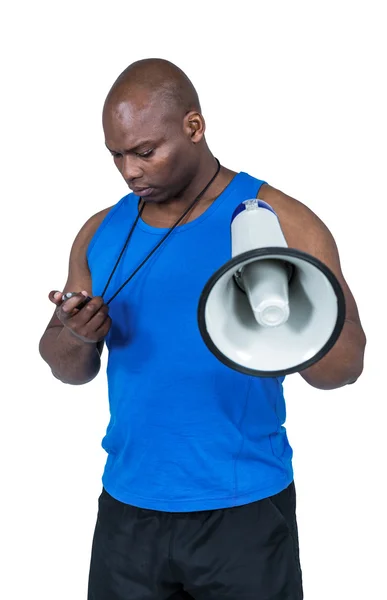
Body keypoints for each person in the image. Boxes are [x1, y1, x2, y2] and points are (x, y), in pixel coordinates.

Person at [39, 58, 366, 600]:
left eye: (145, 151)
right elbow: (66, 369)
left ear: (194, 127)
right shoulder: (100, 231)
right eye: (116, 155)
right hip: (128, 509)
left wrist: (284, 314)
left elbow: (345, 370)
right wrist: (76, 334)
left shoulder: (284, 220)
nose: (129, 171)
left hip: (244, 511)